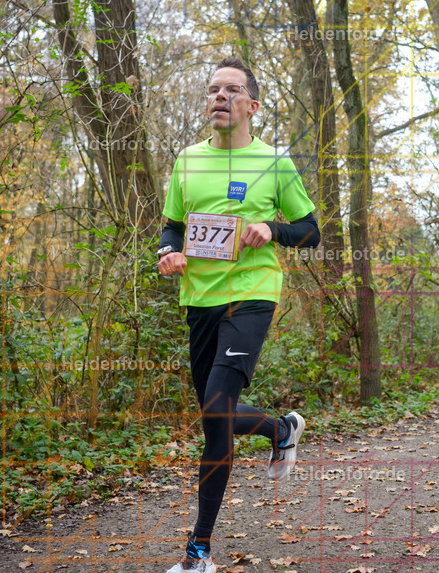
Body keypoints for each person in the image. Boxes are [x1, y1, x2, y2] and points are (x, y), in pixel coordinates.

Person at [157, 57, 321, 572]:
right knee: (215, 421)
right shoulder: (187, 160)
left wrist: (273, 230)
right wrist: (169, 252)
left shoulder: (274, 162)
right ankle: (279, 430)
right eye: (212, 90)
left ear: (251, 105)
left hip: (252, 294)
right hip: (198, 300)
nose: (219, 97)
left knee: (215, 406)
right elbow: (171, 226)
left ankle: (198, 554)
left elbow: (310, 228)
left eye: (231, 90)